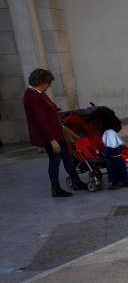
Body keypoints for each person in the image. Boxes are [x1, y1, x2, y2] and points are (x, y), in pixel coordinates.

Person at [23, 68, 87, 197]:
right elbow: (40, 121)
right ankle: (56, 189)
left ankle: (76, 182)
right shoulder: (33, 96)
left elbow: (48, 109)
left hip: (57, 133)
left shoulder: (38, 93)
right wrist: (52, 140)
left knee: (68, 158)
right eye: (48, 83)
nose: (49, 85)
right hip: (51, 136)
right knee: (55, 161)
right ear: (41, 82)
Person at [94, 107, 128, 189]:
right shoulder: (113, 132)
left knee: (113, 171)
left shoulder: (108, 133)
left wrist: (103, 154)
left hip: (113, 158)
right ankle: (126, 182)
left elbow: (111, 147)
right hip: (119, 157)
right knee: (122, 170)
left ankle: (115, 183)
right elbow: (119, 145)